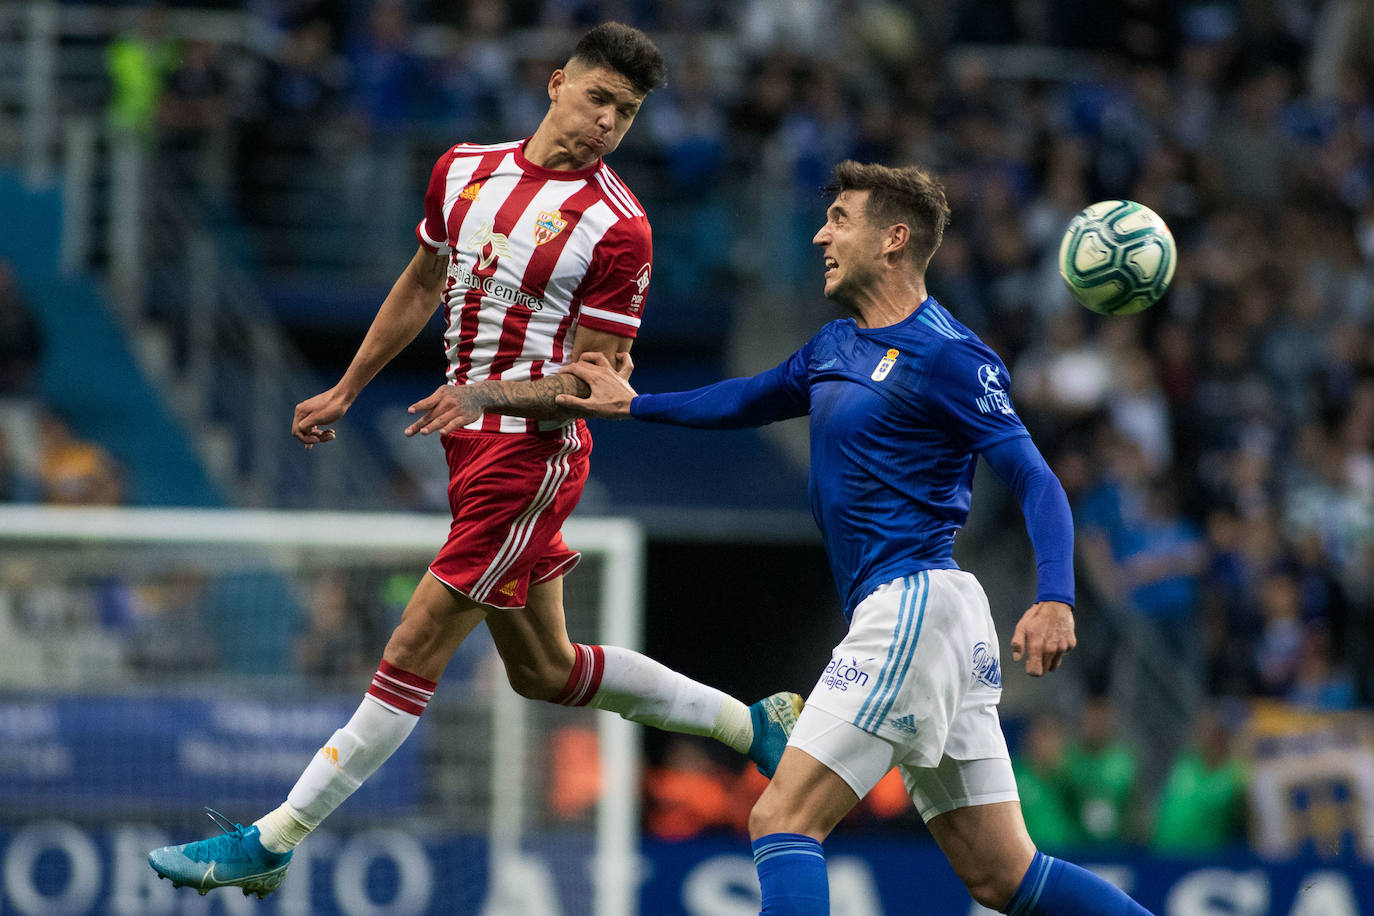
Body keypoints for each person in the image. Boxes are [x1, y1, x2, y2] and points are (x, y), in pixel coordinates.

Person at [148, 22, 801, 898]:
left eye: (628, 112)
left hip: (527, 460)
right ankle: (749, 724)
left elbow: (602, 381)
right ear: (554, 81)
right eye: (598, 98)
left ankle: (274, 837)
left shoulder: (621, 228)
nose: (608, 122)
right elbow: (422, 281)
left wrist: (489, 396)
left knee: (415, 640)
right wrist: (348, 388)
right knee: (546, 669)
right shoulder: (463, 168)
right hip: (467, 448)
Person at [558, 160, 1155, 915]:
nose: (820, 235)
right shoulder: (835, 345)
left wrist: (1056, 597)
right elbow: (744, 399)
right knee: (1002, 876)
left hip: (913, 604)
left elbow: (1036, 479)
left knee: (781, 817)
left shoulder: (948, 355)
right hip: (927, 617)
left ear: (894, 240)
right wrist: (635, 406)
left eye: (840, 219)